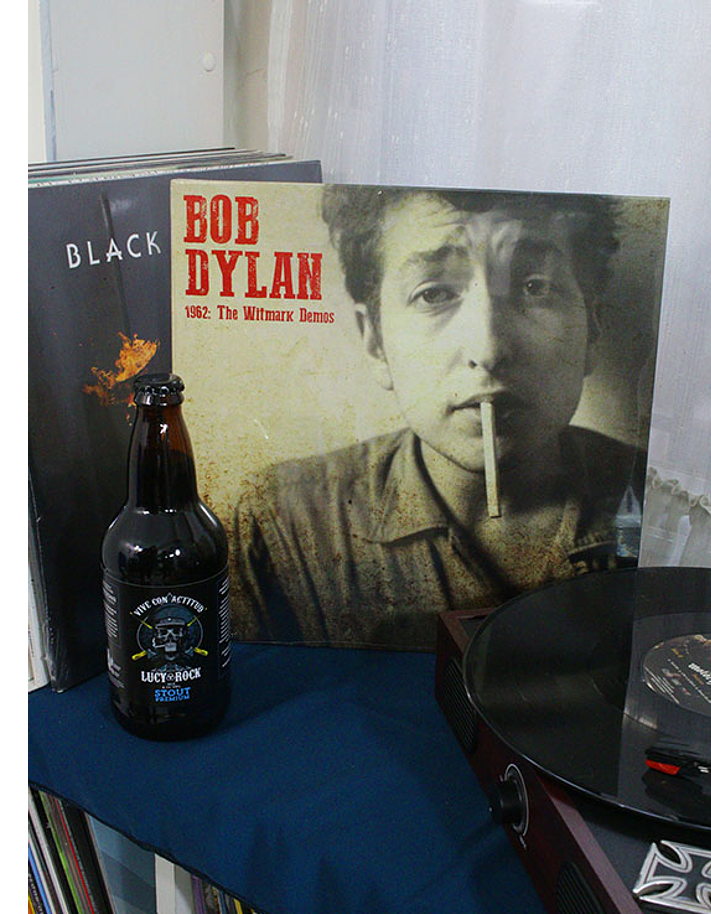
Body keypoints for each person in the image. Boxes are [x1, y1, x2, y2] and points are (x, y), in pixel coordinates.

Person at [231, 185, 647, 648]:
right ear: (375, 341)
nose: (488, 350)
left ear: (593, 329)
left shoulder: (657, 502)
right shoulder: (283, 523)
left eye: (535, 287)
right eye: (434, 294)